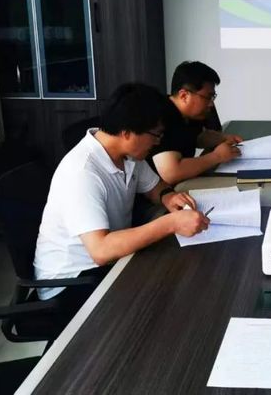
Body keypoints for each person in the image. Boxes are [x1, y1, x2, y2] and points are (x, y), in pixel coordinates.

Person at [33, 83, 210, 329]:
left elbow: (154, 187)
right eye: (156, 135)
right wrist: (170, 223)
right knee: (163, 302)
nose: (157, 143)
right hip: (72, 281)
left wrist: (168, 196)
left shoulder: (128, 155)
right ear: (127, 132)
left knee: (178, 278)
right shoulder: (82, 172)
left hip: (110, 262)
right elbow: (101, 250)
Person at [150, 61, 243, 185]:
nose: (211, 104)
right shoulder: (161, 116)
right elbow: (172, 173)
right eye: (208, 97)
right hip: (159, 191)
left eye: (213, 97)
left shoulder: (193, 113)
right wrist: (217, 156)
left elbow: (197, 137)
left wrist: (223, 138)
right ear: (184, 96)